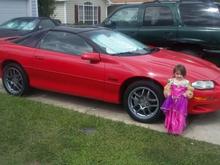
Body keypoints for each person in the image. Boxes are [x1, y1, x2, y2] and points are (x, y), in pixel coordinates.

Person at [161, 64, 194, 135]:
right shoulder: (171, 81)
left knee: (179, 115)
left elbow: (190, 91)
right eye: (177, 74)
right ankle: (170, 129)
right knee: (171, 113)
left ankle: (177, 130)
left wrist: (186, 94)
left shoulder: (186, 82)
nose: (179, 76)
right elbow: (167, 88)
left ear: (184, 74)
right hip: (172, 100)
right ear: (174, 73)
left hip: (181, 101)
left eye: (181, 74)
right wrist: (168, 93)